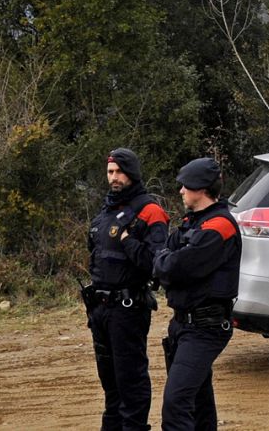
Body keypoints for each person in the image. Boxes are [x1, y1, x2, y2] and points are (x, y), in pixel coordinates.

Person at [153, 158, 242, 431]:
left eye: (185, 186)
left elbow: (176, 266)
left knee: (176, 403)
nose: (180, 191)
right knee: (199, 403)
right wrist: (167, 262)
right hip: (183, 324)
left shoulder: (219, 226)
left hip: (205, 327)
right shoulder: (195, 222)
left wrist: (167, 262)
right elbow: (164, 258)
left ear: (201, 189)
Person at [85, 148, 168, 431]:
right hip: (100, 309)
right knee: (110, 385)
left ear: (131, 173)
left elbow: (157, 263)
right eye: (110, 172)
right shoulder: (105, 212)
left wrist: (127, 240)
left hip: (129, 309)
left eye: (119, 171)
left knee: (130, 382)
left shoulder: (150, 211)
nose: (114, 177)